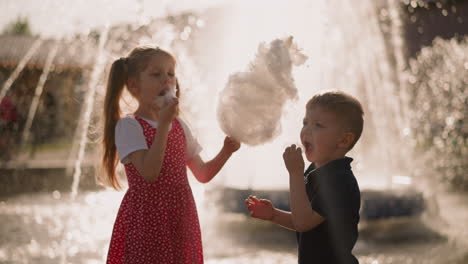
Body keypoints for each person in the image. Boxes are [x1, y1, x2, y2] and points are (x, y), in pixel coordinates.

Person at [101, 46, 241, 264]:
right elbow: (149, 172)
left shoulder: (180, 126)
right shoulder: (129, 126)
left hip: (180, 216)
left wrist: (226, 151)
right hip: (147, 220)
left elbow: (202, 174)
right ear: (134, 85)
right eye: (156, 74)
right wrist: (164, 125)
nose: (166, 80)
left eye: (171, 74)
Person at [245, 90, 363, 264]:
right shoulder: (316, 172)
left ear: (343, 140)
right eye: (305, 122)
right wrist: (273, 215)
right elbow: (305, 220)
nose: (306, 130)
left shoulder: (339, 181)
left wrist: (295, 174)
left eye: (318, 125)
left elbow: (303, 222)